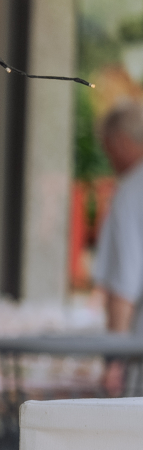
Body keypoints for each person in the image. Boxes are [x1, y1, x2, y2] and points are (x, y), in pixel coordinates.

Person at [92, 101, 143, 334]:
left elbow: (123, 283)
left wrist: (115, 350)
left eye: (107, 149)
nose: (109, 159)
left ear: (121, 142)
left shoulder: (130, 192)